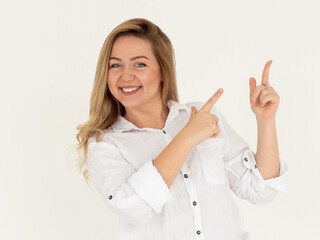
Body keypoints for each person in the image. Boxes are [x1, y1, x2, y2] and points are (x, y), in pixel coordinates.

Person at [76, 18, 287, 240]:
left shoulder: (202, 115)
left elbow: (259, 189)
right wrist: (186, 138)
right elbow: (135, 209)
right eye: (115, 65)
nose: (126, 76)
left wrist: (265, 121)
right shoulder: (105, 145)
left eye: (140, 64)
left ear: (162, 71)